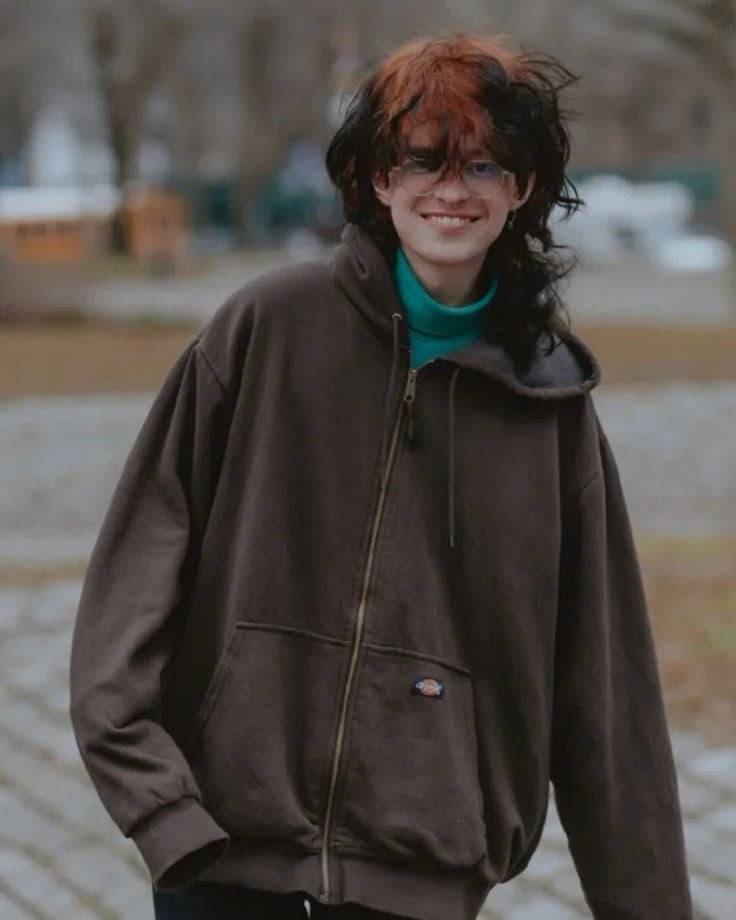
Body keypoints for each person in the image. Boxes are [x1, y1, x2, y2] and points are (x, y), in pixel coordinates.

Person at [69, 32, 693, 920]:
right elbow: (132, 580)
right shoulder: (265, 331)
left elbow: (607, 696)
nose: (451, 189)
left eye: (483, 165)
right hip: (221, 862)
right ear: (377, 179)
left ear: (522, 189)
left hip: (422, 877)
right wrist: (160, 807)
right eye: (423, 160)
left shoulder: (548, 403)